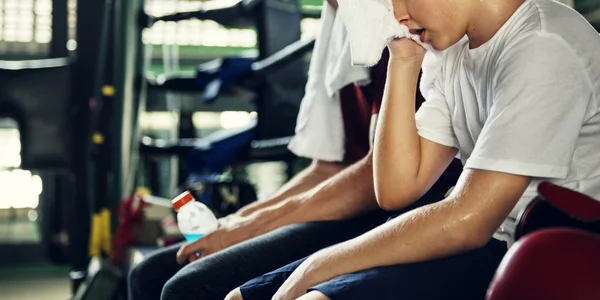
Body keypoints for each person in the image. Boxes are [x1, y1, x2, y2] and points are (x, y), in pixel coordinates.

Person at [226, 0, 600, 299]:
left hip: (539, 251)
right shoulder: (454, 52)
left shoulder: (544, 44)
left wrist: (320, 265)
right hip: (478, 242)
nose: (398, 14)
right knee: (241, 296)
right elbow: (395, 189)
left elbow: (469, 222)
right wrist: (403, 62)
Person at [127, 1, 462, 298]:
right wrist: (238, 221)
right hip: (357, 203)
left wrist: (249, 228)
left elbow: (376, 178)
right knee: (150, 272)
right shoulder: (340, 20)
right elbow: (327, 167)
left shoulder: (405, 19)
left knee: (186, 287)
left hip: (395, 212)